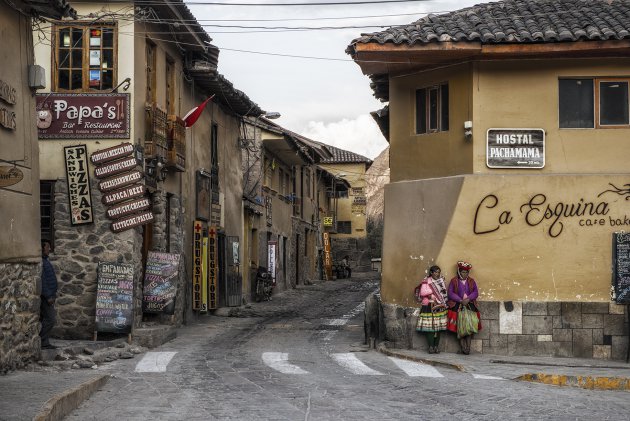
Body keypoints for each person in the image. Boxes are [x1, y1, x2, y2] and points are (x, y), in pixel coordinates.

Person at [447, 261, 481, 355]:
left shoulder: (471, 281)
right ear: (459, 272)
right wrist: (460, 300)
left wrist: (468, 298)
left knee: (470, 327)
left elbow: (475, 292)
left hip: (470, 305)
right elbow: (450, 293)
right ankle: (463, 348)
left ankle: (468, 348)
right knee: (460, 327)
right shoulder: (454, 281)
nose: (465, 274)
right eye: (463, 272)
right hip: (458, 306)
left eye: (466, 272)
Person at [415, 265, 448, 354]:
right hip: (428, 306)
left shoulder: (440, 281)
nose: (437, 274)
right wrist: (431, 293)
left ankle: (436, 347)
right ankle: (430, 347)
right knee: (430, 328)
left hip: (439, 306)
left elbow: (444, 292)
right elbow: (422, 292)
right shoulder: (426, 281)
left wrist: (432, 293)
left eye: (438, 272)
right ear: (431, 273)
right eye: (436, 272)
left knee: (438, 328)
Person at [40, 240, 58, 350]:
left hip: (50, 295)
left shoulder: (45, 260)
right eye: (48, 247)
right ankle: (43, 341)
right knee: (51, 319)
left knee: (45, 319)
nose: (50, 249)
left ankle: (44, 341)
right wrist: (48, 296)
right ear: (42, 248)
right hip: (46, 297)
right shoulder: (41, 262)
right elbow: (42, 281)